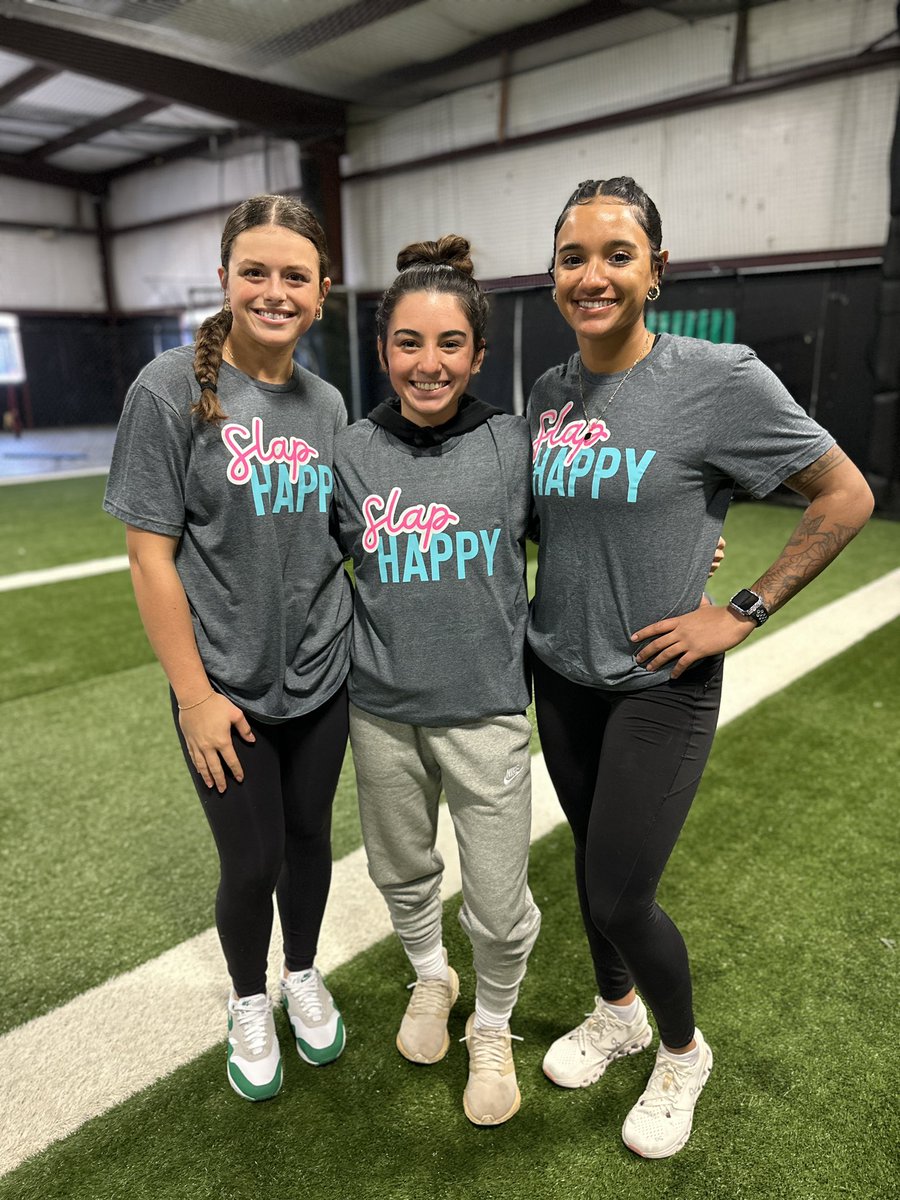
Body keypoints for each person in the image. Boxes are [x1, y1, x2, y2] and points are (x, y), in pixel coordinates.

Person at [528, 176, 874, 1158]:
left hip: (658, 684)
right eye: (572, 256)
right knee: (592, 865)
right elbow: (570, 516)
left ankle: (681, 1050)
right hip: (558, 671)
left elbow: (843, 496)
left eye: (615, 254)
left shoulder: (721, 377)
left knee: (618, 894)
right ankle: (618, 1012)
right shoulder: (552, 392)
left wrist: (741, 609)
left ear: (656, 271)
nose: (591, 275)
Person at [103, 194, 353, 1102]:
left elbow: (360, 532)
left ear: (322, 292)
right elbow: (148, 555)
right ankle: (251, 997)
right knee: (251, 860)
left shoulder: (326, 404)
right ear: (224, 280)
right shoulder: (168, 389)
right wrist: (195, 696)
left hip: (324, 674)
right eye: (256, 271)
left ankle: (301, 972)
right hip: (224, 689)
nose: (274, 291)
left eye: (295, 276)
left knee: (310, 841)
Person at [333, 236, 541, 1126]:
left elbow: (593, 532)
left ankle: (490, 1026)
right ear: (384, 351)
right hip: (380, 710)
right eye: (409, 344)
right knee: (401, 870)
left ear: (478, 353)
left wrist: (704, 553)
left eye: (449, 344)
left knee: (498, 901)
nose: (429, 364)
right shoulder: (350, 451)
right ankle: (431, 977)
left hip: (488, 711)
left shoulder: (513, 444)